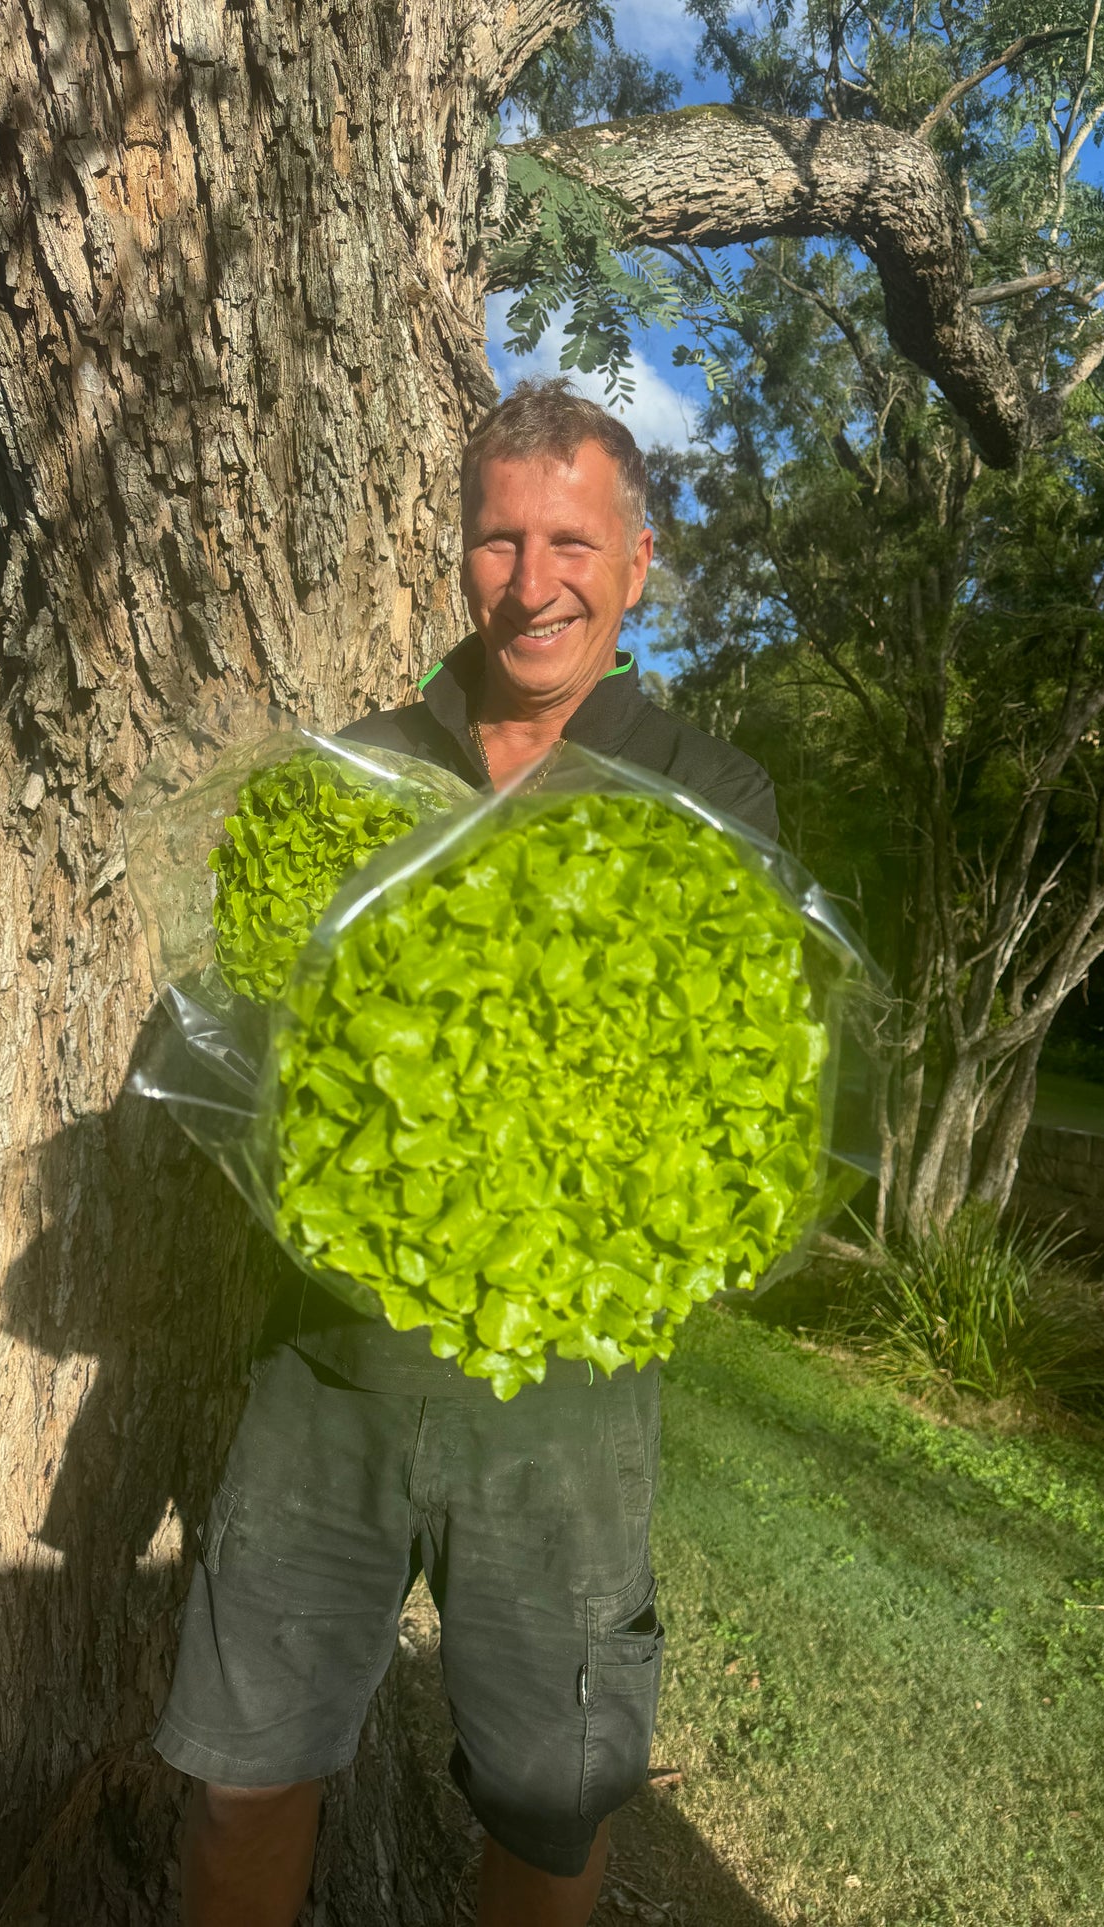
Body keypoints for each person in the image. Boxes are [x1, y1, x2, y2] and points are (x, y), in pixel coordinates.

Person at [153, 379, 778, 1927]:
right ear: (457, 558)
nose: (533, 577)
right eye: (497, 540)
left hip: (561, 1414)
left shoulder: (705, 796)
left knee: (545, 1807)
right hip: (328, 1376)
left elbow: (731, 1092)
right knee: (243, 1776)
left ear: (639, 559)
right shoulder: (345, 777)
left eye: (571, 539)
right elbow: (240, 1056)